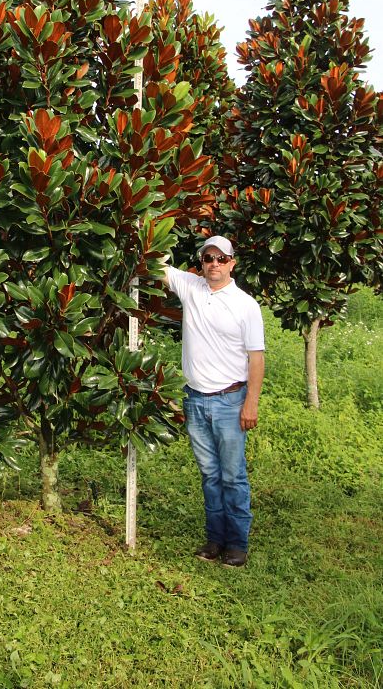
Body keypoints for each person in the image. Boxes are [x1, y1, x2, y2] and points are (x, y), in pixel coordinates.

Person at [163, 235, 265, 567]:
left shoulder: (245, 305)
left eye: (221, 259)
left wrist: (251, 403)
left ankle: (237, 543)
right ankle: (214, 539)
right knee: (209, 474)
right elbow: (154, 266)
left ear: (232, 263)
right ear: (201, 263)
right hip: (195, 401)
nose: (215, 265)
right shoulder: (191, 288)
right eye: (209, 258)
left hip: (229, 401)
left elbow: (256, 359)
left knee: (233, 475)